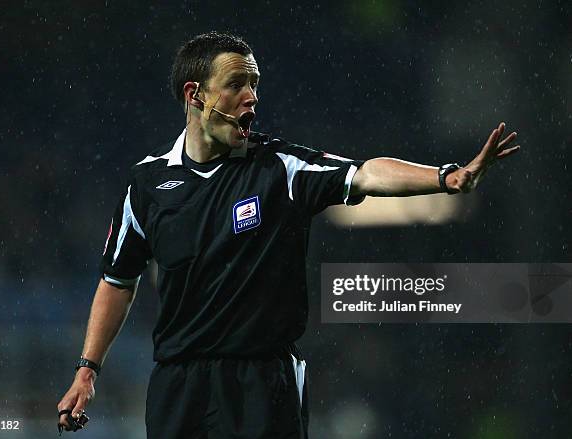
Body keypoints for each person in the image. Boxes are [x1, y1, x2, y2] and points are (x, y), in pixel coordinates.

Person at [57, 31, 520, 438]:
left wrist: (446, 177)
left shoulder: (279, 169)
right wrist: (87, 370)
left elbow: (365, 174)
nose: (251, 97)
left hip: (263, 383)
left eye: (254, 85)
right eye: (237, 84)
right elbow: (118, 280)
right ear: (195, 95)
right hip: (179, 386)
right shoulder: (148, 184)